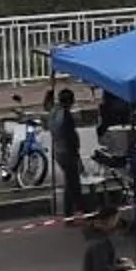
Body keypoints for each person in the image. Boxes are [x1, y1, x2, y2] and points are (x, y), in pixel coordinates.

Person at [51, 86, 86, 219]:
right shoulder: (66, 116)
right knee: (75, 186)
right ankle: (86, 213)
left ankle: (69, 214)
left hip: (58, 151)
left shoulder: (54, 111)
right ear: (70, 101)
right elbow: (70, 139)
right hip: (67, 153)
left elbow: (46, 105)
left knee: (69, 183)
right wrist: (78, 158)